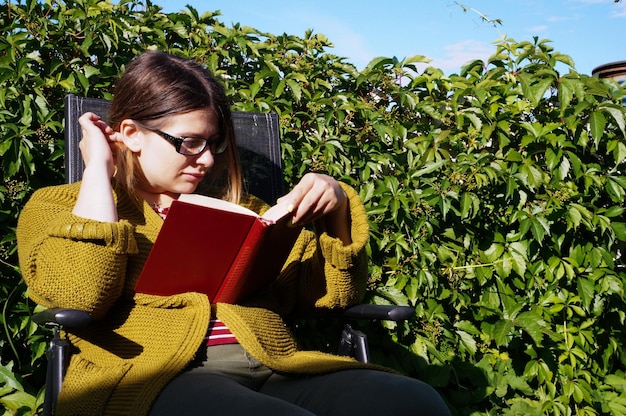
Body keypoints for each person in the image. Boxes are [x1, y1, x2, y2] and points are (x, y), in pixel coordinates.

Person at [17, 50, 450, 415]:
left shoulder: (246, 214)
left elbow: (333, 299)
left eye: (214, 142)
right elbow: (79, 296)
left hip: (275, 364)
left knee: (411, 401)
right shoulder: (59, 206)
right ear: (130, 133)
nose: (205, 160)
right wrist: (97, 170)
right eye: (188, 142)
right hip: (155, 374)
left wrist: (335, 211)